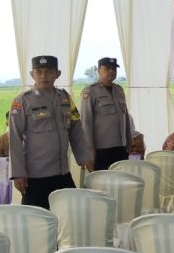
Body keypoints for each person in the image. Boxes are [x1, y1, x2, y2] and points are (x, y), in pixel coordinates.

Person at [9, 55, 92, 210]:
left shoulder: (65, 98)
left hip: (62, 173)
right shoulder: (22, 101)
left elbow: (76, 128)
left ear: (57, 74)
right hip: (35, 177)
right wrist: (18, 173)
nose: (43, 76)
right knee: (35, 219)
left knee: (70, 215)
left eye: (48, 71)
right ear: (32, 74)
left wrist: (84, 157)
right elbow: (15, 138)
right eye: (39, 72)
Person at [80, 57, 134, 170]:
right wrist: (89, 153)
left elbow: (126, 119)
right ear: (98, 70)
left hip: (121, 148)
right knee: (102, 180)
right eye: (107, 68)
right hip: (101, 150)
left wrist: (129, 143)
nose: (111, 71)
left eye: (114, 68)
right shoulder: (90, 92)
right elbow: (86, 124)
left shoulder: (119, 90)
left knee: (121, 179)